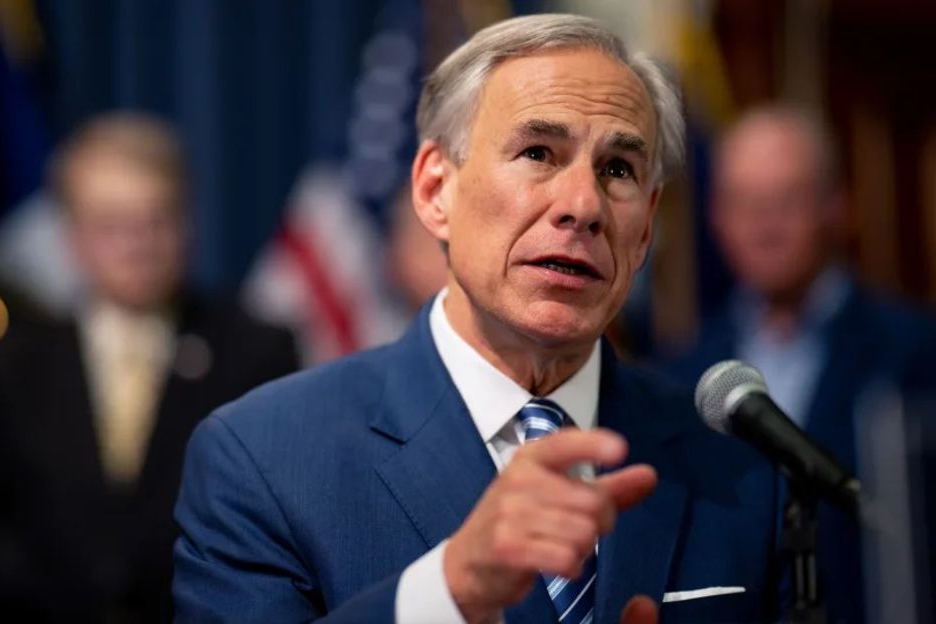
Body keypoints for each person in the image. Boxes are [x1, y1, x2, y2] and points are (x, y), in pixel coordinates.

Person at [174, 14, 780, 624]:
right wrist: (448, 593)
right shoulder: (263, 459)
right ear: (437, 191)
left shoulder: (739, 466)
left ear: (646, 225)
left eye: (618, 168)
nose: (584, 205)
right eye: (538, 152)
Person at [0, 113, 299, 622]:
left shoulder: (256, 352)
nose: (138, 244)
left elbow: (272, 525)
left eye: (157, 219)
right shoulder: (6, 362)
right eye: (112, 224)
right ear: (72, 235)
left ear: (188, 224)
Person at [662, 105, 936, 622]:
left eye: (786, 200)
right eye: (744, 202)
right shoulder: (683, 374)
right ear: (717, 217)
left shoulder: (916, 352)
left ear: (838, 206)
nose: (765, 226)